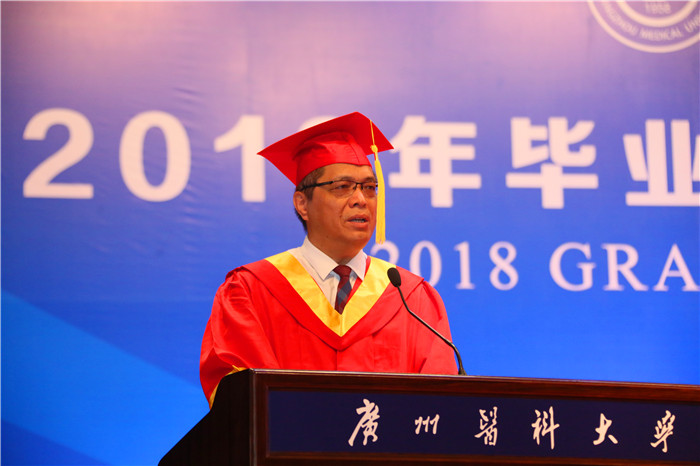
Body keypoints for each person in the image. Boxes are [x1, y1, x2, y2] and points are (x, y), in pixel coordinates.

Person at [200, 112, 457, 407]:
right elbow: (241, 398)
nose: (361, 199)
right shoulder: (250, 291)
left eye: (369, 187)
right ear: (302, 204)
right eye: (342, 187)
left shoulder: (411, 298)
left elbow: (439, 403)